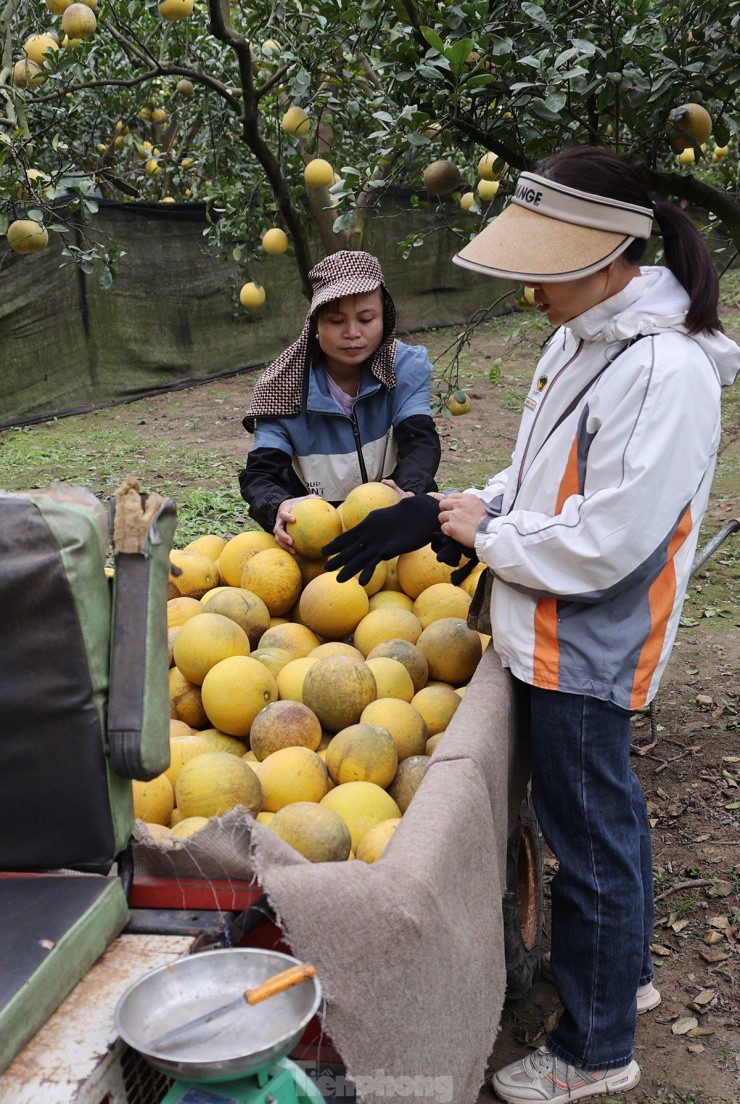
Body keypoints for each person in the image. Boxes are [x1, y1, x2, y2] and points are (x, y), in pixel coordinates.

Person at [322, 146, 739, 1103]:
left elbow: (610, 542)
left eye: (544, 267)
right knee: (601, 826)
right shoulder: (577, 340)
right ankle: (619, 978)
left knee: (587, 843)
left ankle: (596, 1052)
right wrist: (451, 507)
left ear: (609, 255)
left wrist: (490, 533)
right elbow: (542, 474)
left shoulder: (666, 373)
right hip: (545, 622)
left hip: (591, 637)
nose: (529, 288)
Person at [239, 250, 441, 550]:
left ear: (384, 317)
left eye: (366, 319)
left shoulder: (404, 368)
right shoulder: (283, 387)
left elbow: (420, 442)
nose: (352, 333)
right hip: (318, 538)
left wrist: (408, 494)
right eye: (336, 320)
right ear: (315, 324)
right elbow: (261, 474)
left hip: (398, 524)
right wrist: (278, 506)